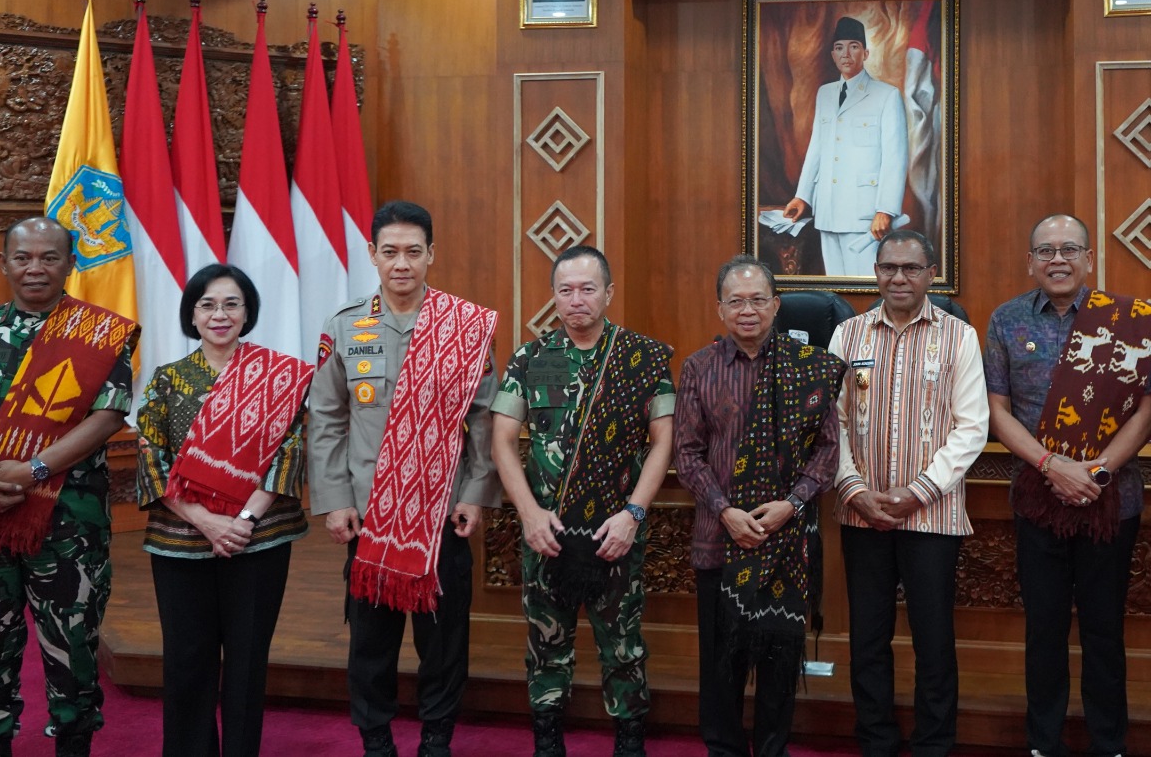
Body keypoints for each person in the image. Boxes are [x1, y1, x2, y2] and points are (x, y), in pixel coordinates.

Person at [0, 216, 138, 757]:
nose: (35, 268)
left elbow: (109, 417)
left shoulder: (99, 333)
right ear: (4, 263)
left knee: (73, 649)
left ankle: (73, 744)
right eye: (23, 257)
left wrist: (36, 469)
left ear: (70, 264)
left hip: (70, 524)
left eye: (49, 257)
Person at [308, 200, 501, 757]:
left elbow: (484, 419)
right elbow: (326, 418)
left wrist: (474, 494)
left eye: (413, 252)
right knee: (371, 643)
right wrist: (335, 501)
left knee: (444, 642)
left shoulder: (462, 327)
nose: (401, 263)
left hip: (442, 512)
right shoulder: (344, 326)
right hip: (372, 514)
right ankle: (376, 740)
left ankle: (437, 737)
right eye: (389, 252)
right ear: (372, 255)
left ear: (431, 255)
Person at [984, 214, 1151, 757]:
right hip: (1037, 499)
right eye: (1045, 250)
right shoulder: (1007, 319)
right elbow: (997, 410)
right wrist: (1052, 466)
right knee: (1043, 631)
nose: (1057, 260)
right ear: (1030, 261)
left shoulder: (1127, 321)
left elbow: (1146, 408)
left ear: (1089, 259)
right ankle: (1044, 743)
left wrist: (1098, 470)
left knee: (1105, 631)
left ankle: (1109, 743)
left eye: (1069, 249)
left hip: (1112, 499)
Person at [491, 245, 675, 757]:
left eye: (588, 289)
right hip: (544, 530)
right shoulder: (530, 358)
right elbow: (502, 439)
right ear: (553, 296)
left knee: (623, 645)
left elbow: (664, 439)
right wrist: (528, 514)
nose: (576, 300)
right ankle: (548, 738)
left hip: (615, 529)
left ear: (608, 294)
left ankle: (630, 739)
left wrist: (633, 514)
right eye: (566, 290)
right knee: (546, 643)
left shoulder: (640, 357)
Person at [134, 263, 314, 757]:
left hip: (259, 540)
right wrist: (207, 521)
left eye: (232, 303)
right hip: (180, 544)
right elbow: (152, 457)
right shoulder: (167, 380)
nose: (220, 314)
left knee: (247, 661)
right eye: (208, 304)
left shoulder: (279, 376)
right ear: (191, 315)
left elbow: (290, 452)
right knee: (187, 661)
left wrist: (244, 521)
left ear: (248, 312)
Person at [674, 254, 846, 757]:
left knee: (778, 660)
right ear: (720, 309)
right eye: (736, 301)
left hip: (785, 540)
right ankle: (723, 749)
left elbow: (827, 450)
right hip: (718, 538)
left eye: (757, 300)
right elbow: (686, 454)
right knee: (720, 662)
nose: (747, 310)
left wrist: (791, 504)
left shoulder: (810, 367)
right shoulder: (699, 368)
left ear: (776, 305)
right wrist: (725, 510)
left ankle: (773, 748)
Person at [830, 229, 989, 757]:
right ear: (874, 272)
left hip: (932, 517)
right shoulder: (847, 336)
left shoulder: (958, 336)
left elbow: (972, 427)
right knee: (868, 639)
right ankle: (876, 741)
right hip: (862, 514)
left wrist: (917, 492)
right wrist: (854, 489)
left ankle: (933, 745)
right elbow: (832, 425)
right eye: (888, 267)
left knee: (934, 640)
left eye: (911, 268)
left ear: (930, 274)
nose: (899, 277)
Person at [781, 16, 909, 277]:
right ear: (832, 54)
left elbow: (896, 157)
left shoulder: (886, 95)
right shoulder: (825, 93)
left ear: (865, 52)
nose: (846, 54)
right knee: (836, 290)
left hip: (865, 214)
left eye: (853, 46)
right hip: (828, 210)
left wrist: (885, 210)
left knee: (866, 287)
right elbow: (817, 146)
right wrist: (803, 195)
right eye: (839, 47)